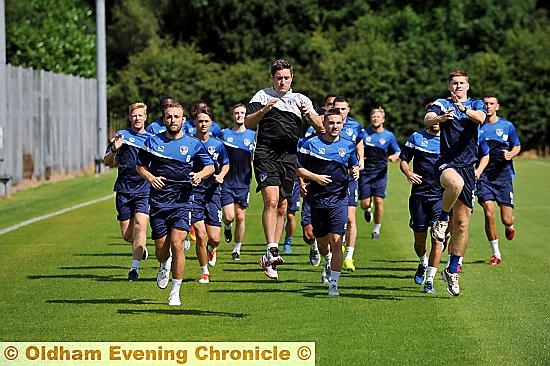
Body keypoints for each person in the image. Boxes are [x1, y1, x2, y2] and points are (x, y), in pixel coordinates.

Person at [245, 59, 322, 280]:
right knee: (271, 199)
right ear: (272, 78)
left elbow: (320, 127)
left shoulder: (300, 99)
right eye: (278, 78)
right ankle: (271, 247)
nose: (282, 81)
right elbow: (249, 123)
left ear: (292, 78)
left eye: (286, 78)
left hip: (289, 157)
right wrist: (265, 109)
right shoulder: (262, 96)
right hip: (265, 154)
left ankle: (271, 257)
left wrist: (308, 112)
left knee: (283, 206)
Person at [137, 102, 214, 306]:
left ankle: (175, 291)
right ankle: (163, 265)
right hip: (159, 202)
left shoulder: (193, 143)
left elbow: (210, 167)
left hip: (183, 201)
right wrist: (150, 178)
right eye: (169, 117)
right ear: (164, 120)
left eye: (176, 117)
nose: (173, 120)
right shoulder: (153, 142)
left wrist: (199, 175)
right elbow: (140, 166)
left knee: (177, 244)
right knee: (162, 250)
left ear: (183, 120)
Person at [424, 69, 487, 296]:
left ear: (467, 86)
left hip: (469, 168)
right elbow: (427, 118)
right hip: (446, 164)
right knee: (455, 184)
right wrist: (440, 118)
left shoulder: (476, 103)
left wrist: (463, 108)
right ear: (449, 86)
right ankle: (441, 219)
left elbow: (480, 118)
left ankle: (451, 270)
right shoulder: (442, 103)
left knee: (461, 225)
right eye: (454, 83)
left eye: (462, 83)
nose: (458, 86)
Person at [297, 108, 359, 296]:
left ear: (342, 124)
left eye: (338, 123)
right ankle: (327, 260)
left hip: (339, 199)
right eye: (330, 122)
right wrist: (315, 177)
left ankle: (334, 284)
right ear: (323, 124)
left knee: (336, 240)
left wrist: (355, 171)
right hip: (316, 200)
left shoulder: (348, 145)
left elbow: (353, 165)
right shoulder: (310, 144)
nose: (334, 126)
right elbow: (297, 169)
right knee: (322, 242)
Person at [104, 102, 152, 282]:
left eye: (141, 115)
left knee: (141, 223)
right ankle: (140, 247)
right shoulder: (121, 136)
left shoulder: (152, 139)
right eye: (134, 115)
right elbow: (107, 162)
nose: (137, 118)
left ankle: (134, 268)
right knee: (127, 235)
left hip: (144, 188)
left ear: (145, 117)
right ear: (130, 117)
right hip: (124, 189)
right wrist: (115, 149)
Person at [399, 118, 444, 294]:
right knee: (419, 241)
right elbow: (404, 160)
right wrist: (408, 172)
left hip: (440, 198)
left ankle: (430, 280)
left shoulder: (449, 140)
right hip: (418, 196)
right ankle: (422, 261)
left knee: (437, 238)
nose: (436, 121)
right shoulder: (416, 137)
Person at [477, 94, 521, 265]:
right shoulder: (477, 126)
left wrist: (512, 153)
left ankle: (510, 226)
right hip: (484, 176)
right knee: (488, 212)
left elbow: (516, 144)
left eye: (491, 103)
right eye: (485, 103)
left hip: (503, 177)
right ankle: (496, 253)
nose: (488, 106)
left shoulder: (507, 126)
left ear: (498, 106)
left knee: (506, 219)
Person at [191, 106, 230, 283]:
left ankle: (211, 248)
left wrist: (221, 176)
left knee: (214, 239)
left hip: (213, 193)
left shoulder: (218, 145)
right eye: (200, 121)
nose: (203, 124)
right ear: (194, 123)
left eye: (206, 121)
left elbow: (226, 164)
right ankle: (204, 271)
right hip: (194, 194)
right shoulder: (189, 143)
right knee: (200, 234)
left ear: (211, 123)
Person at [220, 103, 256, 261]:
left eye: (242, 113)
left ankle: (236, 249)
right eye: (236, 113)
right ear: (232, 116)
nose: (239, 115)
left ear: (246, 115)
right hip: (226, 181)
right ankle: (227, 227)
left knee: (240, 217)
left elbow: (257, 158)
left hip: (244, 182)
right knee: (229, 217)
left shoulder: (252, 135)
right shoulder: (223, 134)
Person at [358, 107, 401, 239]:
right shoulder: (363, 133)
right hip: (365, 173)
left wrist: (394, 156)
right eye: (373, 116)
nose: (375, 119)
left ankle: (376, 229)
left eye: (378, 117)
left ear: (383, 119)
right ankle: (368, 208)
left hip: (380, 173)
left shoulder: (389, 136)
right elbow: (355, 147)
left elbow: (398, 151)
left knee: (379, 201)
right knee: (364, 204)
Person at [332, 96, 363, 272]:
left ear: (348, 110)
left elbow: (359, 142)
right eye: (337, 108)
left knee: (351, 218)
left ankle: (349, 257)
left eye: (343, 109)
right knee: (337, 219)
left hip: (350, 177)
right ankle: (334, 248)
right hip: (331, 179)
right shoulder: (327, 124)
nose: (340, 112)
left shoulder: (355, 126)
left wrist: (360, 161)